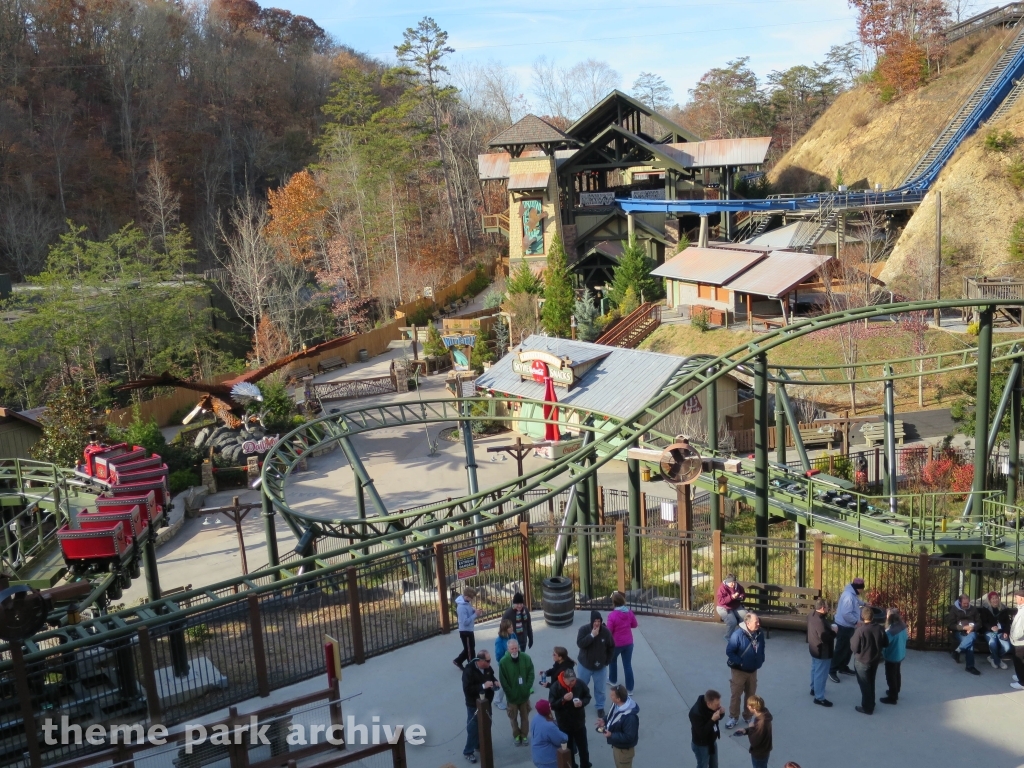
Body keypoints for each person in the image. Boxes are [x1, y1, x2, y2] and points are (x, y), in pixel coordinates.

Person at [725, 612, 765, 729]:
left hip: (753, 670)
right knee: (736, 694)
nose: (758, 624)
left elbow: (762, 648)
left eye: (758, 621)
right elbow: (729, 652)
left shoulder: (759, 633)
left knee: (751, 694)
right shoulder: (737, 635)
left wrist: (761, 659)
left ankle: (748, 716)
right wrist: (740, 662)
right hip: (739, 671)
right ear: (748, 623)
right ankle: (733, 717)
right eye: (756, 622)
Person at [549, 666, 592, 768]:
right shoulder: (555, 687)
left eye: (574, 680)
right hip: (564, 724)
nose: (573, 683)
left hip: (579, 722)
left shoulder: (580, 684)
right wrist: (563, 699)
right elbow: (553, 705)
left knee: (583, 748)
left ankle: (585, 765)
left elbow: (587, 696)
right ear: (564, 679)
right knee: (569, 749)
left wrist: (582, 703)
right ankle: (572, 765)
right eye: (571, 681)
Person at [462, 650, 499, 763]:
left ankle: (480, 745)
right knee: (473, 729)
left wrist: (495, 681)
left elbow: (491, 676)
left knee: (487, 724)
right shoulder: (469, 671)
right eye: (488, 660)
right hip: (474, 704)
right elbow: (467, 689)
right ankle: (468, 751)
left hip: (486, 702)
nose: (490, 662)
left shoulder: (487, 668)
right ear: (481, 661)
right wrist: (483, 685)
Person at [576, 610, 615, 718]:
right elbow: (580, 643)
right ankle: (580, 702)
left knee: (600, 689)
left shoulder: (606, 632)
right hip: (585, 665)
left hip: (600, 668)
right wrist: (592, 635)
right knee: (581, 686)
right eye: (595, 621)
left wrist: (607, 661)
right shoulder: (584, 630)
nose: (597, 623)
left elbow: (611, 647)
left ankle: (600, 707)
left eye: (598, 621)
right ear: (591, 621)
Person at [850, 605, 888, 714]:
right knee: (871, 682)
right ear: (873, 616)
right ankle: (871, 703)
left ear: (862, 617)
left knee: (864, 684)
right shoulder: (880, 628)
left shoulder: (860, 630)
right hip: (874, 660)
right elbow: (886, 643)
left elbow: (854, 647)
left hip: (862, 661)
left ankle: (867, 707)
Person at [499, 638, 535, 747]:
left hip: (524, 696)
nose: (514, 651)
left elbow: (531, 674)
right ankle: (516, 735)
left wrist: (527, 687)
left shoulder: (526, 658)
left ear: (518, 648)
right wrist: (510, 693)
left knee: (525, 717)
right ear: (508, 649)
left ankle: (524, 735)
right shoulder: (503, 662)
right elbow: (503, 680)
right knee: (513, 718)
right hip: (512, 698)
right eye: (512, 649)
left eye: (516, 648)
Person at [830, 577, 865, 682]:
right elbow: (846, 613)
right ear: (858, 588)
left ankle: (842, 666)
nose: (862, 591)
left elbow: (856, 601)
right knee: (840, 649)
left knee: (849, 648)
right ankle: (832, 670)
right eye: (862, 589)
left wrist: (864, 604)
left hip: (848, 627)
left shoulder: (851, 593)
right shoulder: (849, 596)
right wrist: (856, 622)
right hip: (844, 626)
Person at [597, 684, 638, 768]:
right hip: (618, 746)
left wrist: (611, 735)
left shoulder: (630, 718)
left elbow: (629, 737)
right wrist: (604, 720)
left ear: (618, 699)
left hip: (624, 751)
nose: (610, 696)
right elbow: (613, 715)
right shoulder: (617, 705)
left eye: (612, 695)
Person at [606, 592, 638, 694]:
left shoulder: (612, 615)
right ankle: (630, 689)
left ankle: (613, 680)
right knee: (627, 665)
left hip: (616, 644)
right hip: (628, 643)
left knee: (613, 661)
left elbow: (609, 631)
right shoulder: (629, 612)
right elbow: (634, 625)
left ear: (614, 603)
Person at [806, 598, 836, 707]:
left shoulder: (811, 615)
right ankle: (819, 697)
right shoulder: (820, 622)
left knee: (815, 669)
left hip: (813, 648)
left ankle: (814, 688)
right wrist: (834, 633)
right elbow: (825, 638)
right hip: (822, 651)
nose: (829, 608)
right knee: (821, 673)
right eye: (827, 607)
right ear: (823, 608)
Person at [945, 593, 982, 675]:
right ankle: (970, 667)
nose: (966, 605)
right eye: (964, 603)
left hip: (972, 631)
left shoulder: (973, 609)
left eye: (967, 603)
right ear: (960, 602)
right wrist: (963, 628)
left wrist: (973, 627)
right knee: (970, 645)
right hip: (959, 632)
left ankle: (958, 650)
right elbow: (951, 625)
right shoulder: (954, 609)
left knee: (971, 637)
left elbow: (979, 622)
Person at [733, 694, 772, 768]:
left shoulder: (761, 722)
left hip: (759, 753)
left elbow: (754, 741)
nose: (747, 706)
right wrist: (745, 730)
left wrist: (750, 728)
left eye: (749, 705)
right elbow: (757, 731)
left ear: (754, 708)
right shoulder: (764, 715)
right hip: (765, 751)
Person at [689, 688, 725, 768]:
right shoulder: (695, 713)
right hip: (701, 745)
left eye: (719, 704)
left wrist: (721, 713)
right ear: (709, 704)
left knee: (714, 765)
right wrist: (712, 720)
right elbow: (701, 733)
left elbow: (718, 717)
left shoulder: (711, 707)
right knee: (703, 765)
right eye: (717, 705)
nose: (719, 706)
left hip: (711, 741)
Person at [880, 607, 907, 705]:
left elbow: (885, 644)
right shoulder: (902, 625)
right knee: (897, 673)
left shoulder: (891, 631)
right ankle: (896, 690)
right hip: (900, 654)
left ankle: (892, 696)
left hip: (892, 656)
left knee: (890, 676)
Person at [979, 591, 1012, 670]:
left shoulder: (1004, 609)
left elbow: (1007, 623)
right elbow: (983, 622)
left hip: (1001, 631)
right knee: (992, 643)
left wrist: (1006, 632)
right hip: (989, 631)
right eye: (993, 598)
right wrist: (991, 628)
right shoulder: (986, 608)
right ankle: (998, 661)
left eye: (996, 598)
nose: (995, 600)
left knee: (1007, 647)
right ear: (990, 600)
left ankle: (992, 657)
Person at [530, 699, 567, 768]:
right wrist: (566, 736)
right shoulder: (549, 726)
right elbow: (560, 740)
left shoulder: (536, 717)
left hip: (537, 756)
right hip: (548, 759)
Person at [454, 586, 480, 670]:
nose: (471, 600)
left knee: (469, 647)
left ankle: (458, 661)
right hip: (465, 631)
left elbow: (469, 609)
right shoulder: (461, 608)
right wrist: (475, 615)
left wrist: (474, 611)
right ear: (466, 597)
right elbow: (465, 622)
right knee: (470, 650)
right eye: (471, 598)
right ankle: (472, 667)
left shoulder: (466, 603)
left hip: (469, 630)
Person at [715, 574, 747, 640]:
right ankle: (728, 636)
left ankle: (742, 633)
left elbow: (743, 593)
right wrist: (732, 597)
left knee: (746, 617)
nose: (733, 584)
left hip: (735, 606)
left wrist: (741, 597)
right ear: (727, 582)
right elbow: (721, 601)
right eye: (731, 583)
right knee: (733, 622)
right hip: (724, 607)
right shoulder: (722, 588)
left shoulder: (738, 586)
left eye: (734, 582)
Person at [494, 618, 514, 710]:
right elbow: (498, 657)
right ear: (505, 629)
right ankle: (497, 701)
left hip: (514, 662)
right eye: (510, 627)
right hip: (505, 665)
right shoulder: (499, 641)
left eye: (512, 626)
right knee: (503, 683)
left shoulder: (513, 635)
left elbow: (517, 646)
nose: (512, 628)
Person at [1010, 589, 1024, 690]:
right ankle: (1020, 676)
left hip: (1020, 641)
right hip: (1019, 641)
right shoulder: (1021, 608)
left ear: (1022, 599)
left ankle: (1022, 682)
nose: (1015, 599)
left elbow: (1020, 629)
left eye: (1017, 598)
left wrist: (1013, 637)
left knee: (1019, 661)